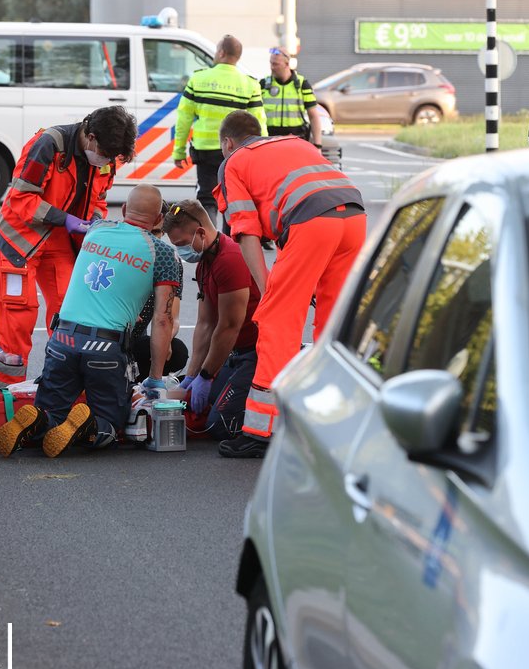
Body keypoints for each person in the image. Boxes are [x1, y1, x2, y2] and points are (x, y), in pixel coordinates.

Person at [213, 111, 366, 458]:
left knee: (276, 320)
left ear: (228, 143)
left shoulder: (234, 162)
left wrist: (268, 291)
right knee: (333, 324)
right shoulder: (293, 142)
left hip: (311, 222)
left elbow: (246, 231)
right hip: (354, 216)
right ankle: (335, 420)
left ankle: (262, 431)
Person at [0, 185, 181, 458]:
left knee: (54, 411)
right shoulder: (162, 253)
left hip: (62, 340)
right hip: (106, 348)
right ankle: (92, 425)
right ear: (158, 220)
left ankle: (42, 420)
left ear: (125, 210)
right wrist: (154, 378)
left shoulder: (97, 230)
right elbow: (163, 320)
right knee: (110, 425)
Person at [0, 105, 139, 388]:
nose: (106, 161)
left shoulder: (107, 156)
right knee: (16, 325)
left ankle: (60, 392)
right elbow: (22, 200)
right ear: (90, 137)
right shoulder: (48, 146)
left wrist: (93, 221)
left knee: (70, 316)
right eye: (105, 154)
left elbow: (98, 200)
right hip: (19, 243)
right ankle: (0, 399)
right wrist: (66, 219)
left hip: (60, 242)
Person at [162, 199, 262, 442]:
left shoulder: (230, 260)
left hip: (258, 352)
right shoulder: (205, 262)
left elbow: (229, 326)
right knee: (197, 404)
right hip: (237, 352)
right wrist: (192, 376)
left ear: (200, 232)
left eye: (183, 244)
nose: (181, 251)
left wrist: (206, 376)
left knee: (219, 426)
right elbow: (205, 324)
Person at [171, 35, 267, 225]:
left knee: (207, 198)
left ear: (221, 53)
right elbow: (258, 123)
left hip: (205, 151)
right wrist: (261, 156)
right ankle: (229, 245)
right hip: (236, 153)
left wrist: (179, 150)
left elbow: (183, 119)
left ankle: (210, 242)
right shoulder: (250, 84)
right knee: (232, 199)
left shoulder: (198, 79)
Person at [122, 185, 188, 380]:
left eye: (156, 233)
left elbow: (171, 318)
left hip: (135, 340)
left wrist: (166, 337)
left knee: (177, 352)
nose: (149, 237)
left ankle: (142, 385)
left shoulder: (168, 260)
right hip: (107, 335)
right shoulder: (118, 250)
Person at [260, 47, 323, 147]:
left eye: (276, 64)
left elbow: (314, 116)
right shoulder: (263, 84)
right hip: (270, 141)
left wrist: (317, 145)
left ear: (287, 64)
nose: (272, 67)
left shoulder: (302, 85)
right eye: (271, 63)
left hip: (296, 141)